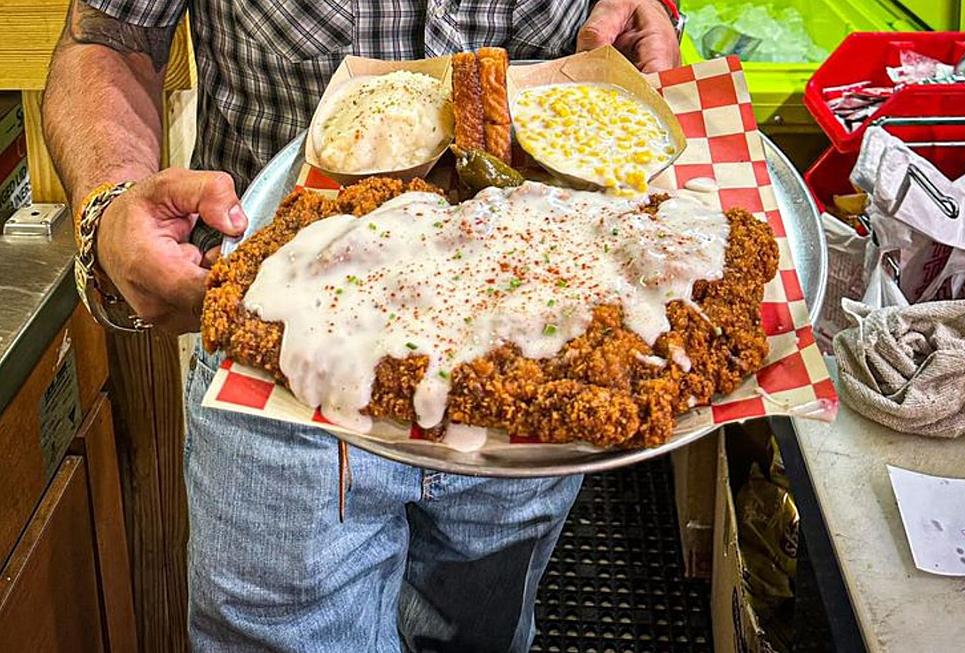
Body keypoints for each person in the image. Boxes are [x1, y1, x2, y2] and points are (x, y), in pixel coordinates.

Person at [42, 1, 682, 651]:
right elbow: (111, 39)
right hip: (281, 355)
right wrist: (111, 208)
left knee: (481, 636)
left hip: (533, 354)